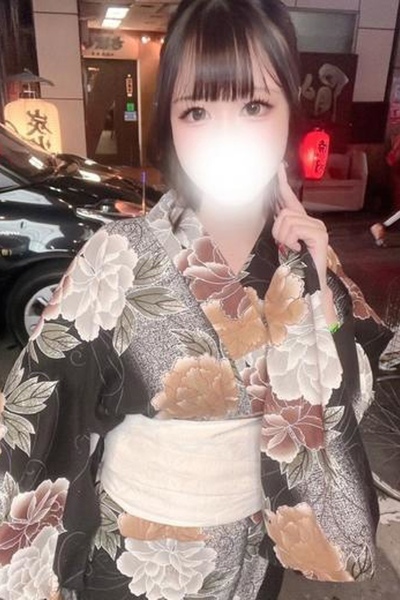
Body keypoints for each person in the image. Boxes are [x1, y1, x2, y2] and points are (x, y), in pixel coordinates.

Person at [0, 1, 392, 599]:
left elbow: (364, 402)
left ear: (290, 111)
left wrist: (321, 298)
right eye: (198, 110)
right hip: (138, 562)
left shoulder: (309, 261)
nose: (225, 134)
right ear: (170, 123)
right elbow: (34, 420)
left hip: (254, 557)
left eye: (254, 106)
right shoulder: (118, 255)